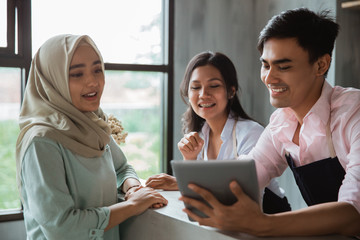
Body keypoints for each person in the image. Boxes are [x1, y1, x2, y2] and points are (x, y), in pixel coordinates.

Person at [178, 8, 360, 237]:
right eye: (265, 65)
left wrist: (262, 223)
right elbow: (247, 173)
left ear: (321, 65)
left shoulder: (354, 112)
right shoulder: (281, 123)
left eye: (283, 67)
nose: (269, 78)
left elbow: (354, 212)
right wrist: (187, 181)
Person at [16, 34, 168, 240]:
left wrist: (132, 188)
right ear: (53, 80)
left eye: (97, 70)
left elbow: (122, 168)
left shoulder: (92, 125)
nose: (93, 81)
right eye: (77, 74)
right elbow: (61, 226)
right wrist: (132, 205)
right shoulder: (41, 141)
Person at [146, 51, 291, 214]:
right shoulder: (200, 135)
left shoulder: (251, 132)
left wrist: (180, 183)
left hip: (270, 223)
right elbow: (197, 199)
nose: (203, 94)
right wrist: (190, 159)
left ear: (231, 91)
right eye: (195, 87)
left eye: (213, 86)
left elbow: (242, 193)